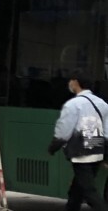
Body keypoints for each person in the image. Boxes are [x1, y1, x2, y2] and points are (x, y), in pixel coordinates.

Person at [48, 70, 108, 211]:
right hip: (97, 150)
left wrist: (53, 147)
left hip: (81, 153)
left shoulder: (73, 104)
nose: (69, 83)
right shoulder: (103, 104)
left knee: (89, 191)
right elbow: (106, 131)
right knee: (77, 190)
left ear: (75, 83)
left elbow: (64, 130)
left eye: (70, 81)